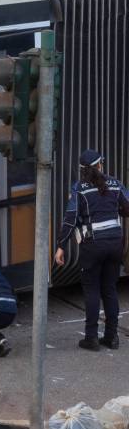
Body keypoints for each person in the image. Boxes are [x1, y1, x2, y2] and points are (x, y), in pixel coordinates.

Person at [55, 149, 129, 351]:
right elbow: (128, 207)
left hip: (92, 245)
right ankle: (112, 338)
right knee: (110, 289)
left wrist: (61, 246)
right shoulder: (114, 183)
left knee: (92, 291)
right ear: (99, 165)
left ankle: (91, 338)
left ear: (82, 170)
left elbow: (71, 219)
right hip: (115, 243)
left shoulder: (79, 189)